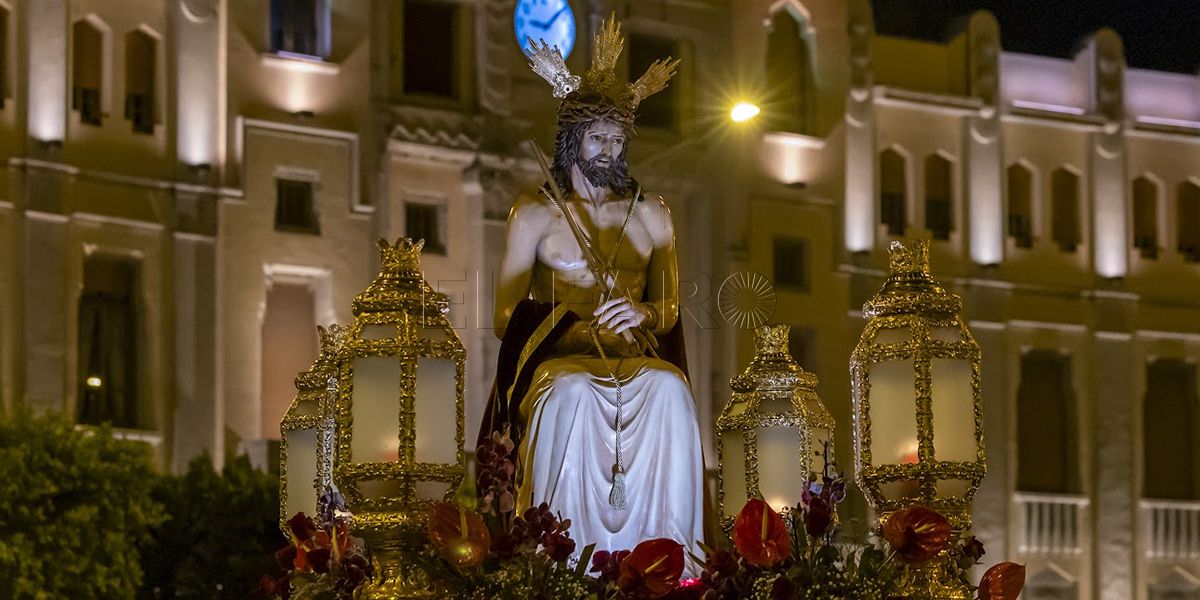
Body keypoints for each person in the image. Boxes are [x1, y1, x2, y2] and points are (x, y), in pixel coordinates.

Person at [479, 16, 705, 562]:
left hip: (631, 357)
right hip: (561, 361)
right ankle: (557, 559)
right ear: (571, 141)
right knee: (571, 390)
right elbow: (505, 317)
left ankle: (675, 556)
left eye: (618, 140)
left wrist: (643, 314)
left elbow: (669, 308)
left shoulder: (651, 215)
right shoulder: (534, 214)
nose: (609, 150)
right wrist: (574, 329)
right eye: (598, 137)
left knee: (672, 388)